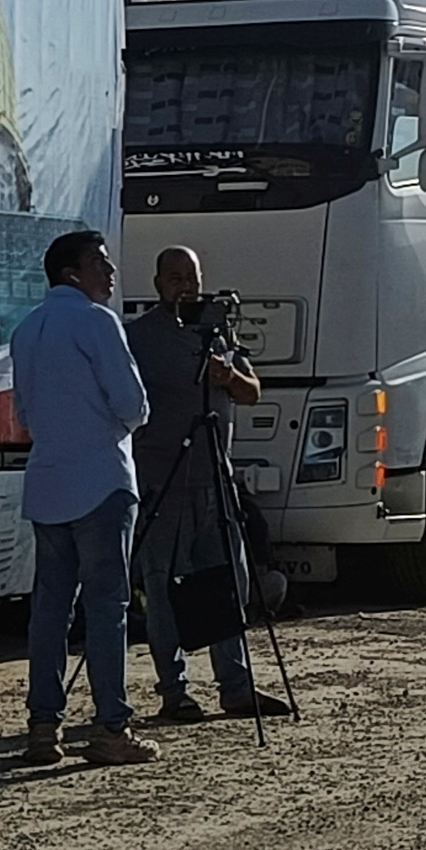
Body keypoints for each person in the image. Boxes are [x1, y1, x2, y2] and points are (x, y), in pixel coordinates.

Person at [4, 226, 156, 765]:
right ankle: (110, 727)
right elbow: (134, 406)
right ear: (73, 273)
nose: (111, 273)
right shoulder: (97, 322)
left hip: (47, 482)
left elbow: (21, 414)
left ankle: (44, 728)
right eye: (101, 264)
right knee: (106, 608)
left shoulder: (27, 330)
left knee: (49, 609)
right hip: (102, 480)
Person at [126, 245, 293, 725]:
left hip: (214, 482)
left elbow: (252, 392)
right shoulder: (137, 338)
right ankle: (173, 692)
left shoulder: (218, 332)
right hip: (164, 482)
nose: (185, 286)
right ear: (158, 283)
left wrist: (229, 374)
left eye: (191, 277)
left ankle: (236, 688)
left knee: (228, 585)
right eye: (174, 277)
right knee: (163, 590)